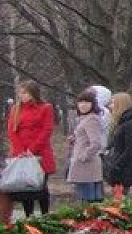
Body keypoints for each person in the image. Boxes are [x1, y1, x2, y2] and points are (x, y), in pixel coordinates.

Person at [6, 80, 56, 218]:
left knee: (41, 186)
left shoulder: (45, 107)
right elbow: (11, 131)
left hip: (40, 153)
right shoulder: (16, 109)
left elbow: (47, 130)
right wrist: (21, 150)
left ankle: (45, 216)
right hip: (21, 154)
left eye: (25, 93)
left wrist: (32, 150)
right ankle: (29, 217)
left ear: (33, 93)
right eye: (20, 93)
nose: (22, 96)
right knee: (24, 188)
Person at [66, 89, 105, 204]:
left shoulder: (92, 119)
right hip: (83, 165)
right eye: (80, 102)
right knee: (85, 200)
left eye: (87, 102)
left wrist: (84, 156)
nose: (83, 105)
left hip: (87, 166)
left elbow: (96, 143)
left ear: (93, 104)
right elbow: (85, 138)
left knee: (89, 201)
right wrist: (75, 139)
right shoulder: (84, 119)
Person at [104, 93, 132, 197]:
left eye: (113, 103)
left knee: (123, 199)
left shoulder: (131, 124)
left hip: (124, 167)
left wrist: (117, 165)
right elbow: (116, 141)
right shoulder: (121, 122)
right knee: (117, 198)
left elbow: (130, 149)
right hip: (118, 165)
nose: (110, 106)